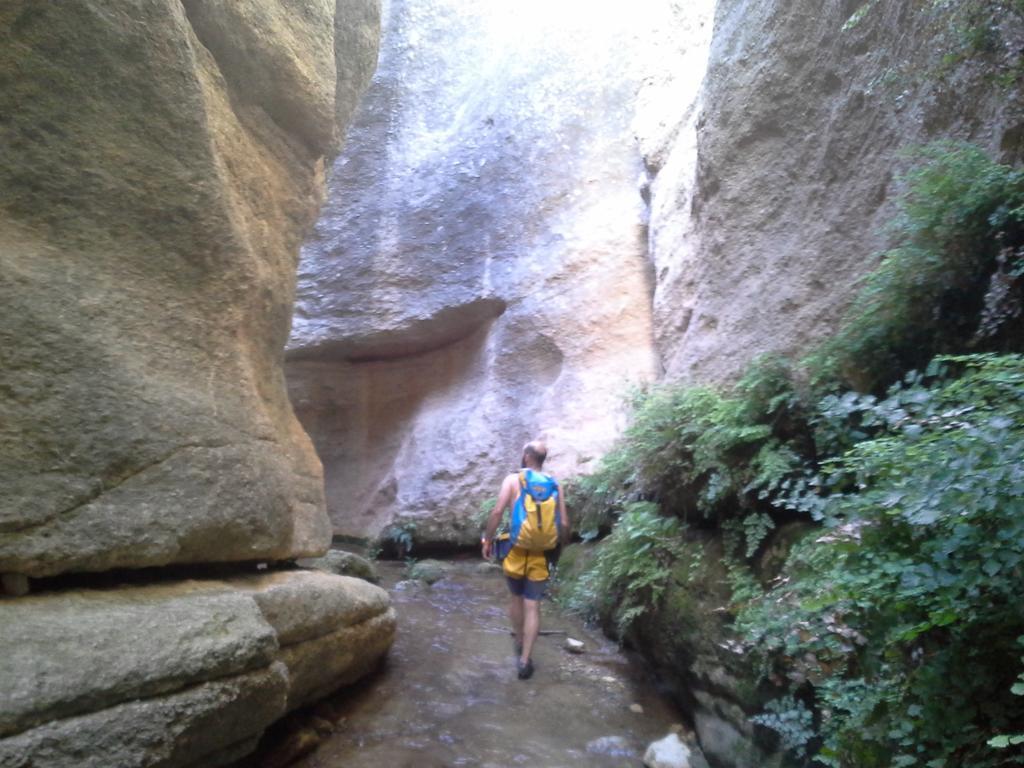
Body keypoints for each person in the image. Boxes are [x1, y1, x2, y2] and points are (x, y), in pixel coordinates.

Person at [481, 440, 570, 679]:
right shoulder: (554, 484)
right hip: (541, 555)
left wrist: (487, 540)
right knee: (533, 605)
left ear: (528, 456)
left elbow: (497, 512)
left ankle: (519, 639)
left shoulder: (514, 480)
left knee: (516, 598)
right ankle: (525, 660)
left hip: (517, 551)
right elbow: (563, 524)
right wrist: (557, 551)